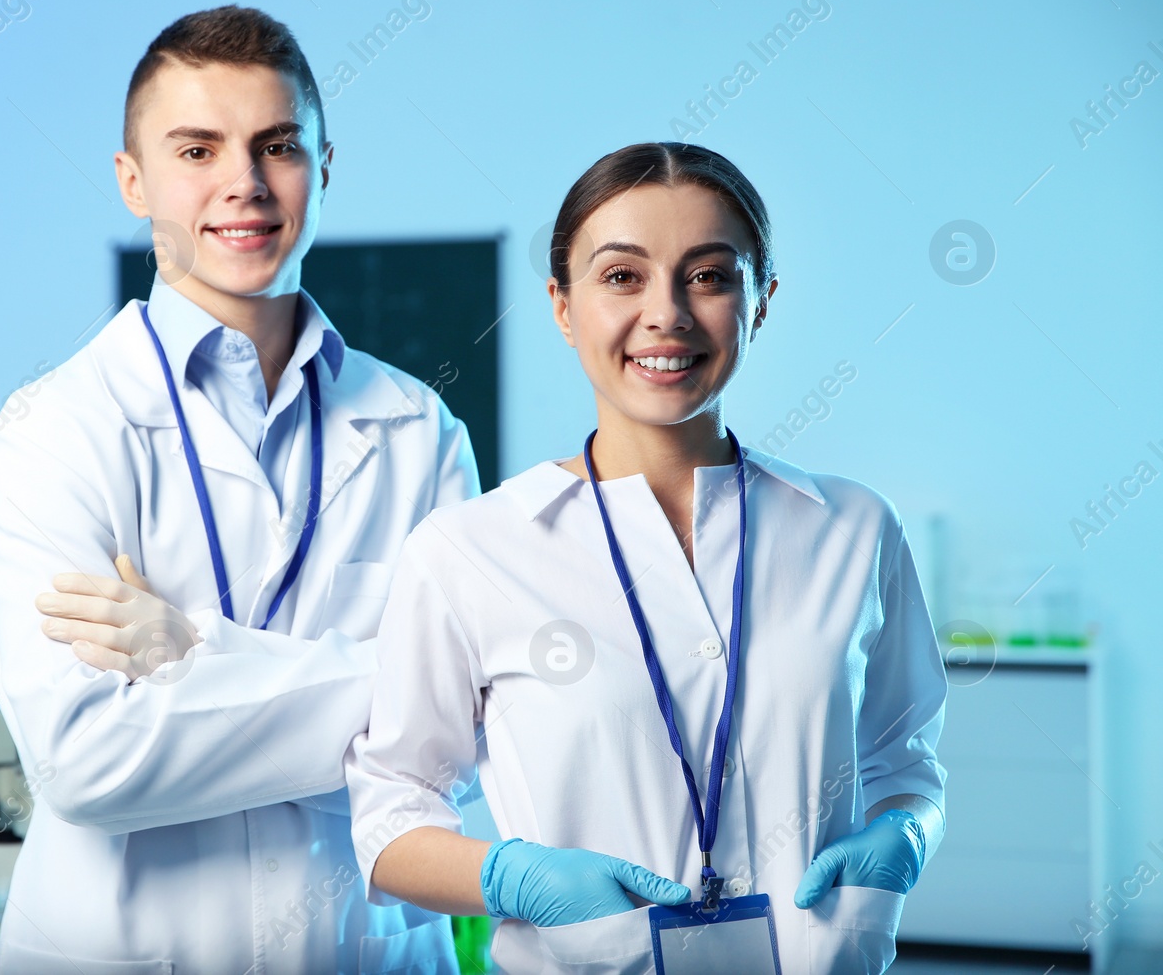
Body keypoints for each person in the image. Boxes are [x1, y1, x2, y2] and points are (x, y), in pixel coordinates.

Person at [345, 142, 946, 974]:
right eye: (622, 276)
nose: (667, 313)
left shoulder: (854, 529)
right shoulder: (469, 551)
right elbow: (388, 820)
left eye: (709, 275)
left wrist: (909, 830)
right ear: (562, 305)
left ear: (761, 299)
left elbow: (907, 760)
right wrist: (507, 875)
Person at [0, 6, 476, 974]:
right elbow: (84, 761)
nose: (242, 184)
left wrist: (186, 651)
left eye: (277, 145)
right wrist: (387, 691)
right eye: (196, 149)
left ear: (324, 168)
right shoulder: (54, 429)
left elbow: (459, 747)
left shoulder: (417, 432)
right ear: (133, 181)